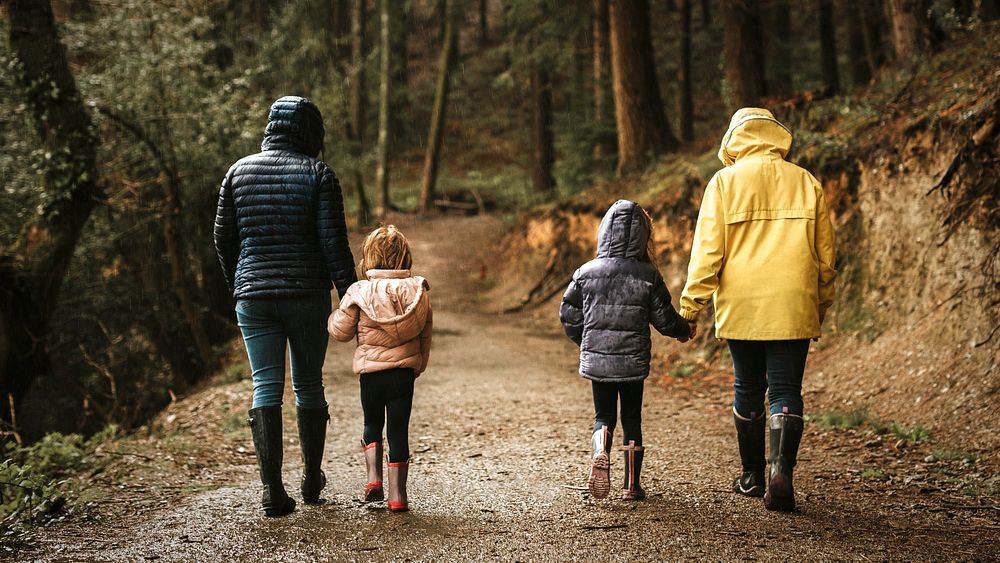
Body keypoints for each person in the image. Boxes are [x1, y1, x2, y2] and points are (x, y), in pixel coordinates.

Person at [679, 108, 837, 511]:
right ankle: (780, 472)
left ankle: (751, 476)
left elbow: (707, 253)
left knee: (748, 386)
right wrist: (819, 301)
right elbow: (826, 256)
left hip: (743, 307)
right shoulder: (805, 181)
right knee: (786, 390)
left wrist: (690, 306)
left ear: (733, 139)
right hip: (793, 304)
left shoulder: (724, 183)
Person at [214, 95, 357, 517]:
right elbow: (334, 246)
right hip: (306, 295)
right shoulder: (318, 174)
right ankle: (312, 479)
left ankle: (271, 489)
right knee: (309, 383)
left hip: (253, 297)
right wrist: (353, 299)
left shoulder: (237, 172)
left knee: (265, 385)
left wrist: (239, 283)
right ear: (311, 132)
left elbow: (224, 240)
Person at [559, 200, 692, 501]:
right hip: (632, 361)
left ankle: (600, 448)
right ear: (644, 236)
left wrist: (589, 342)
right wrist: (684, 331)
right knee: (632, 418)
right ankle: (631, 485)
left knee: (603, 415)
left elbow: (568, 313)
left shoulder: (586, 272)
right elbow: (664, 318)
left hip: (599, 360)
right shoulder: (647, 275)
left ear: (604, 232)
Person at [329, 225, 432, 513]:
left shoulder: (359, 291)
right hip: (402, 375)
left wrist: (335, 315)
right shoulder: (418, 290)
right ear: (404, 257)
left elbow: (341, 332)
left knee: (372, 423)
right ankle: (398, 496)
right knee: (399, 431)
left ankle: (373, 479)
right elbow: (425, 332)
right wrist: (418, 364)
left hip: (371, 374)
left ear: (369, 258)